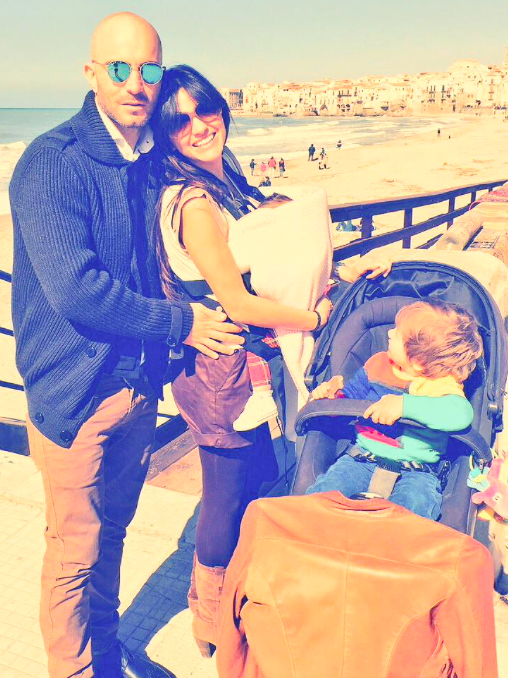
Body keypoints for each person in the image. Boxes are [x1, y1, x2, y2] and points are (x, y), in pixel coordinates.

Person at [9, 13, 243, 678]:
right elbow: (77, 290)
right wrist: (182, 324)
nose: (136, 83)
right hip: (74, 399)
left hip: (137, 392)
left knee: (109, 539)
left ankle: (106, 654)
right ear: (90, 73)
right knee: (73, 556)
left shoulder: (149, 162)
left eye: (148, 69)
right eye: (119, 68)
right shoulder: (51, 163)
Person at [152, 64, 334, 656]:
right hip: (221, 376)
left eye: (205, 109)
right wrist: (312, 318)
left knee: (254, 480)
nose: (200, 126)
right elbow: (235, 300)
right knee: (226, 495)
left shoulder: (225, 176)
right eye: (180, 120)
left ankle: (236, 596)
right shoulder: (194, 203)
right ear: (165, 133)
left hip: (243, 369)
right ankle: (209, 618)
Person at [306, 300, 483, 520]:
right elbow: (350, 397)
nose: (389, 333)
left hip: (417, 472)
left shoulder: (442, 386)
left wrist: (404, 406)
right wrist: (332, 397)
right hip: (361, 459)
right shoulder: (377, 366)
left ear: (418, 361)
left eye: (397, 334)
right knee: (323, 496)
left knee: (414, 509)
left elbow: (461, 414)